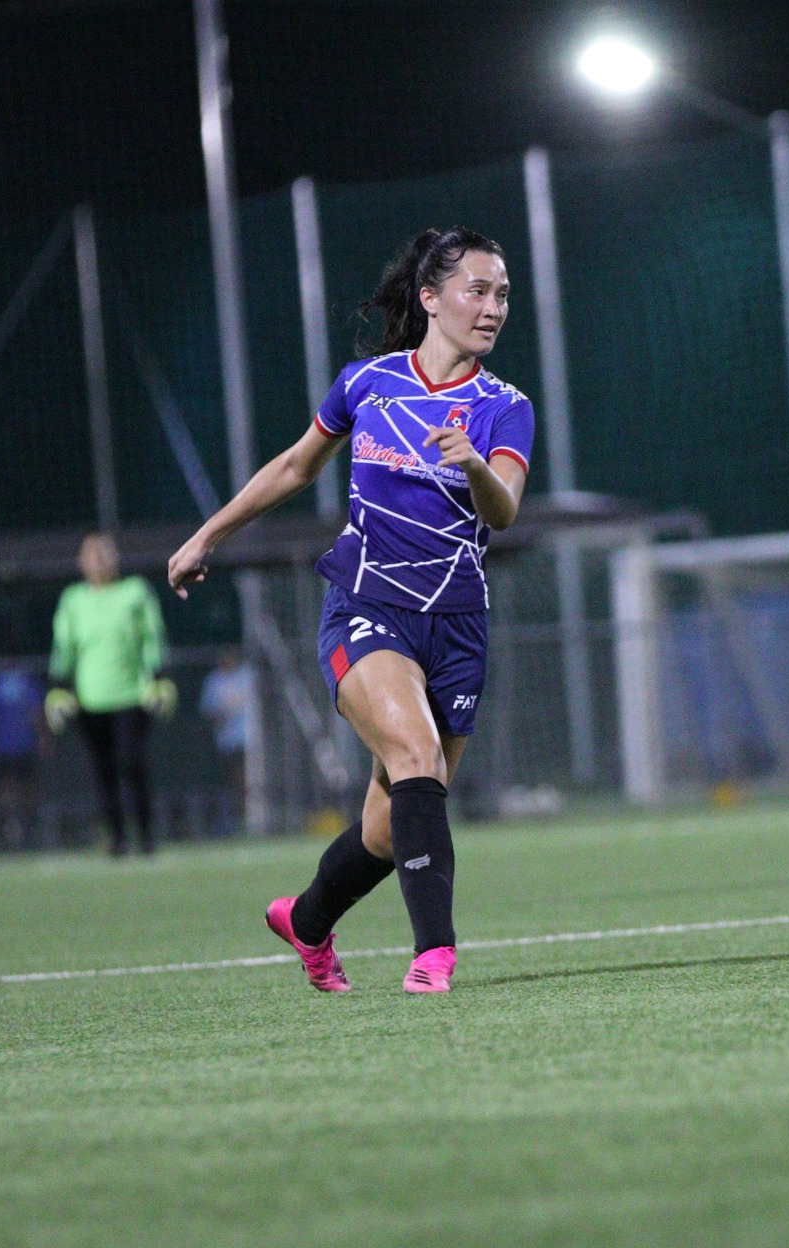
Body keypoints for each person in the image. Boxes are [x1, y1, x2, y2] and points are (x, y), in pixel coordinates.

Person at [169, 226, 532, 995]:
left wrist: (471, 466)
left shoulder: (504, 408)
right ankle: (435, 953)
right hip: (366, 606)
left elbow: (503, 514)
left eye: (502, 293)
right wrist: (208, 534)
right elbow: (297, 465)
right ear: (430, 298)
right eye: (478, 289)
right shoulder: (367, 383)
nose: (493, 306)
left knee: (387, 826)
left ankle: (305, 920)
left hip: (458, 623)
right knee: (416, 755)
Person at [49, 532, 174, 857]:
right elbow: (64, 646)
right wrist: (59, 687)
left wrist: (159, 676)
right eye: (93, 555)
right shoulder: (73, 599)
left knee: (131, 763)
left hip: (132, 695)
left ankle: (145, 835)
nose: (101, 560)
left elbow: (152, 636)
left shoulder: (135, 591)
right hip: (91, 700)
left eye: (106, 553)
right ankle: (117, 838)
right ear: (82, 562)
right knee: (103, 770)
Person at [0, 662, 44, 848]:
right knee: (8, 789)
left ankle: (28, 828)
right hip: (3, 746)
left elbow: (35, 713)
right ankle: (9, 830)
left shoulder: (27, 682)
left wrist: (41, 736)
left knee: (24, 788)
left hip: (22, 745)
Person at [198, 649, 253, 834]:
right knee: (233, 781)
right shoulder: (214, 680)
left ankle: (249, 817)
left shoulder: (247, 675)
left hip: (249, 739)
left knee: (247, 779)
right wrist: (222, 713)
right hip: (227, 741)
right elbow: (209, 711)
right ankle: (234, 820)